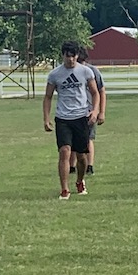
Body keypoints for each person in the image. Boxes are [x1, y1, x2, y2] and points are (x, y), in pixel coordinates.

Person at [43, 41, 100, 200]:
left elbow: (95, 93)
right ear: (63, 55)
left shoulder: (86, 71)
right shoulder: (55, 75)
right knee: (64, 151)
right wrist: (46, 118)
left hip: (81, 117)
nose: (71, 59)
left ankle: (80, 181)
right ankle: (64, 189)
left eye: (73, 56)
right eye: (68, 56)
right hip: (63, 118)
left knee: (81, 156)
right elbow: (48, 97)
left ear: (77, 55)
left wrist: (95, 111)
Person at [69, 46, 106, 176]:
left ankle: (89, 166)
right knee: (72, 139)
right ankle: (71, 166)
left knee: (88, 138)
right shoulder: (70, 71)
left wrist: (101, 112)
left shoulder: (93, 71)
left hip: (90, 111)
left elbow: (101, 92)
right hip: (73, 111)